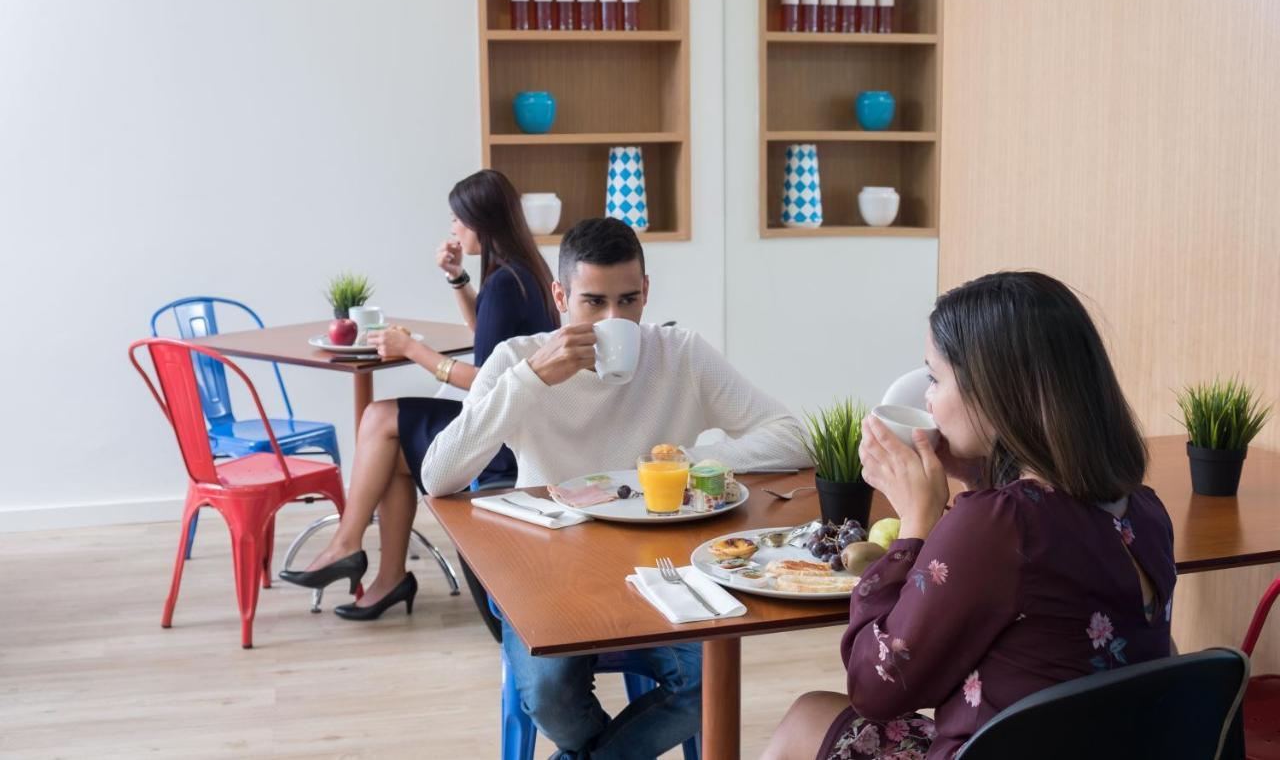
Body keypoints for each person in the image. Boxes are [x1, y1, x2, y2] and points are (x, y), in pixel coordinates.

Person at [421, 217, 811, 759]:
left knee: (708, 683)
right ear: (561, 296)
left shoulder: (680, 354)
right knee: (547, 695)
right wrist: (530, 382)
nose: (613, 319)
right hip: (549, 571)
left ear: (647, 291)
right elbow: (438, 476)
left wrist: (686, 460)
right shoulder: (517, 362)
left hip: (663, 567)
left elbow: (794, 438)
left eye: (628, 300)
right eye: (593, 302)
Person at [762, 271, 1177, 760]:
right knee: (812, 712)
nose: (928, 399)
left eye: (935, 378)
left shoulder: (1000, 524)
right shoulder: (1146, 509)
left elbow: (876, 688)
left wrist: (916, 522)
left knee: (804, 723)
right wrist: (980, 484)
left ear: (996, 392)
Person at [279, 169, 559, 620]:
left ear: (478, 222)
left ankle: (348, 546)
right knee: (388, 449)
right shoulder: (519, 273)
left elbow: (485, 379)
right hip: (512, 422)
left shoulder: (509, 282)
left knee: (378, 418)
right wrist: (456, 279)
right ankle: (388, 578)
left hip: (500, 440)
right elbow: (486, 334)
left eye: (456, 219)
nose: (452, 229)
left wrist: (412, 349)